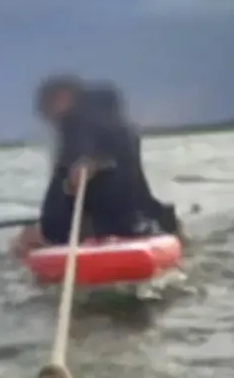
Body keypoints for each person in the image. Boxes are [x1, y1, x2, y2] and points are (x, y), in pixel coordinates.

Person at [12, 73, 181, 257]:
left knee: (23, 242)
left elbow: (86, 145)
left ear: (63, 97)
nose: (44, 116)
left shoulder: (78, 124)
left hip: (107, 225)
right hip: (136, 218)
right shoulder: (117, 123)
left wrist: (85, 163)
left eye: (45, 106)